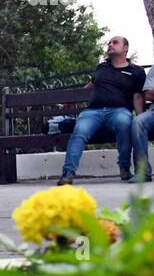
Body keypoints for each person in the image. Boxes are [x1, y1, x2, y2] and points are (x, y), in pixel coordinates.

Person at [58, 35, 145, 185]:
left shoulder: (136, 71)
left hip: (119, 111)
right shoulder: (101, 67)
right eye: (109, 43)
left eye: (115, 42)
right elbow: (89, 86)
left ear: (125, 48)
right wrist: (71, 100)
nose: (110, 44)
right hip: (93, 111)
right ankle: (68, 174)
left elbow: (137, 97)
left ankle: (124, 167)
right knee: (79, 132)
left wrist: (141, 118)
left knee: (125, 124)